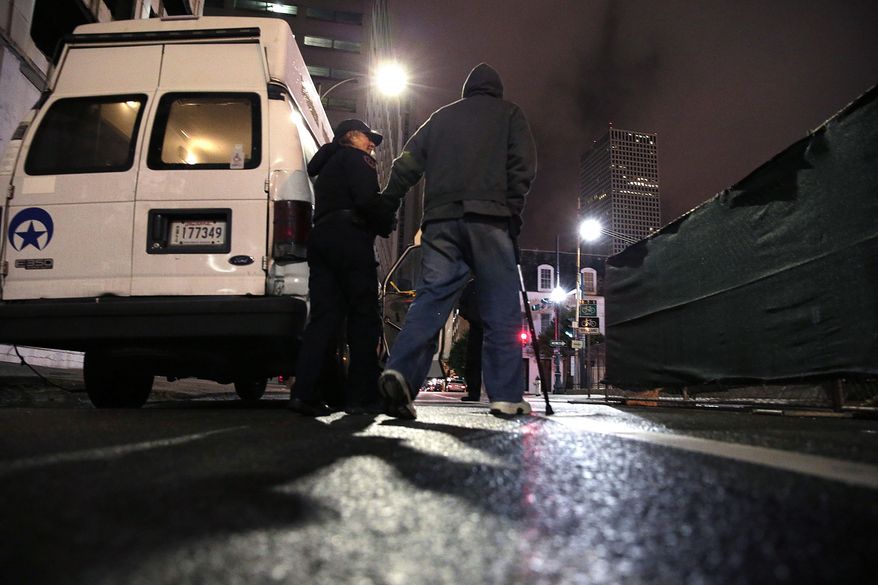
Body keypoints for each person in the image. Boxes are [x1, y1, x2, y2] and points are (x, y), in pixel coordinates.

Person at [377, 63, 537, 419]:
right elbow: (523, 167)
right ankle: (506, 396)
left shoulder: (439, 118)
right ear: (496, 90)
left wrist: (388, 201)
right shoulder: (510, 114)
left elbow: (406, 164)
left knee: (430, 300)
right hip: (490, 220)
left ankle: (400, 370)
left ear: (467, 90)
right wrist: (513, 212)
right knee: (500, 309)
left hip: (441, 222)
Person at [289, 119, 395, 417]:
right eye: (367, 138)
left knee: (324, 319)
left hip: (322, 239)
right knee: (363, 318)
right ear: (350, 136)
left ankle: (305, 393)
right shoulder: (356, 158)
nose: (371, 144)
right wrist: (386, 220)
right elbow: (366, 200)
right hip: (351, 239)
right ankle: (361, 397)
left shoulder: (326, 168)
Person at [457, 279, 483, 403]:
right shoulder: (472, 285)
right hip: (478, 325)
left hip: (485, 324)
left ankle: (474, 392)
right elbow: (462, 304)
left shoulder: (472, 285)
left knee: (474, 360)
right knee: (473, 360)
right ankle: (474, 392)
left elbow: (462, 304)